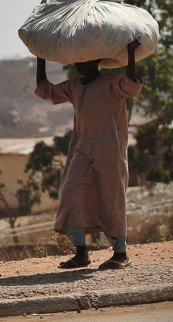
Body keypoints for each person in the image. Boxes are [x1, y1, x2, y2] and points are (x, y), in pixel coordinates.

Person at [34, 38, 143, 270]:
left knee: (111, 199)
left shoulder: (111, 83)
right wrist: (40, 57)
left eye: (82, 62)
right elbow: (45, 89)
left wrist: (131, 53)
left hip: (109, 150)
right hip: (83, 149)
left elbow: (133, 86)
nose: (78, 66)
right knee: (70, 193)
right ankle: (81, 253)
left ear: (96, 61)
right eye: (76, 62)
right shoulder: (74, 86)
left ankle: (121, 253)